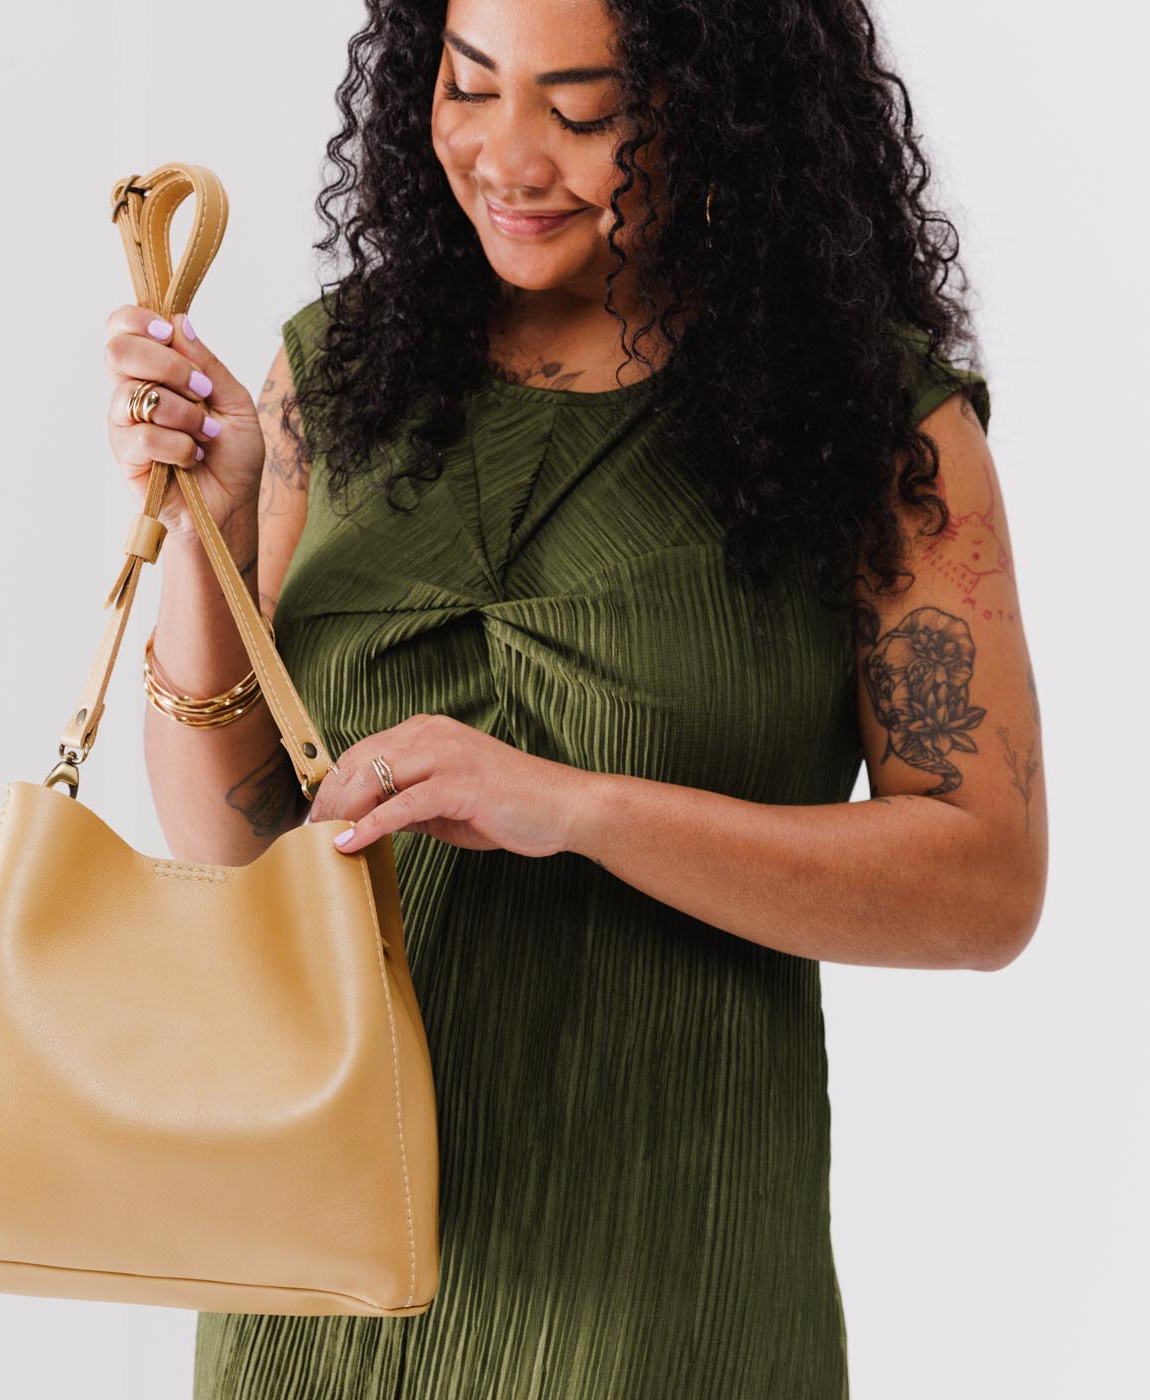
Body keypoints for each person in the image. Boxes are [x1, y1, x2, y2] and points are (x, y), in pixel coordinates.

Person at [102, 1, 1047, 1394]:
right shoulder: (342, 375)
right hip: (315, 1283)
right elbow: (238, 849)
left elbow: (983, 885)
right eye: (469, 86)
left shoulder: (870, 424)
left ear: (725, 105)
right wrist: (210, 534)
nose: (508, 157)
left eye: (585, 109)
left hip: (661, 1291)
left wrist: (576, 809)